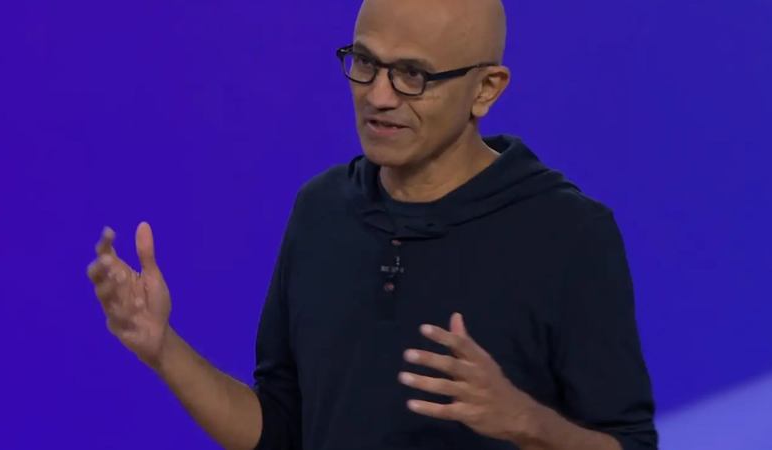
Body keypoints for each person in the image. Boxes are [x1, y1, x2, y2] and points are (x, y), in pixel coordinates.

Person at [86, 0, 658, 448]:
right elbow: (281, 429)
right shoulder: (320, 211)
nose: (378, 96)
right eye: (364, 63)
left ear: (485, 89)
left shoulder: (569, 234)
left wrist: (525, 421)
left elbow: (628, 443)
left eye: (412, 74)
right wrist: (164, 349)